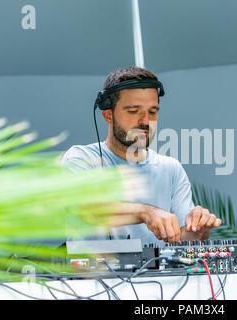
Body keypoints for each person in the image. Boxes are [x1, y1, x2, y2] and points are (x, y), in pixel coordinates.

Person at [61, 66, 221, 245]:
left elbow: (183, 239)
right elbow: (86, 209)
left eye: (152, 112)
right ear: (108, 115)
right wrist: (146, 213)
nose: (145, 121)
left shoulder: (171, 168)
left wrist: (199, 230)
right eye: (133, 111)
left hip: (164, 274)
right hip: (94, 274)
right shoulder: (81, 159)